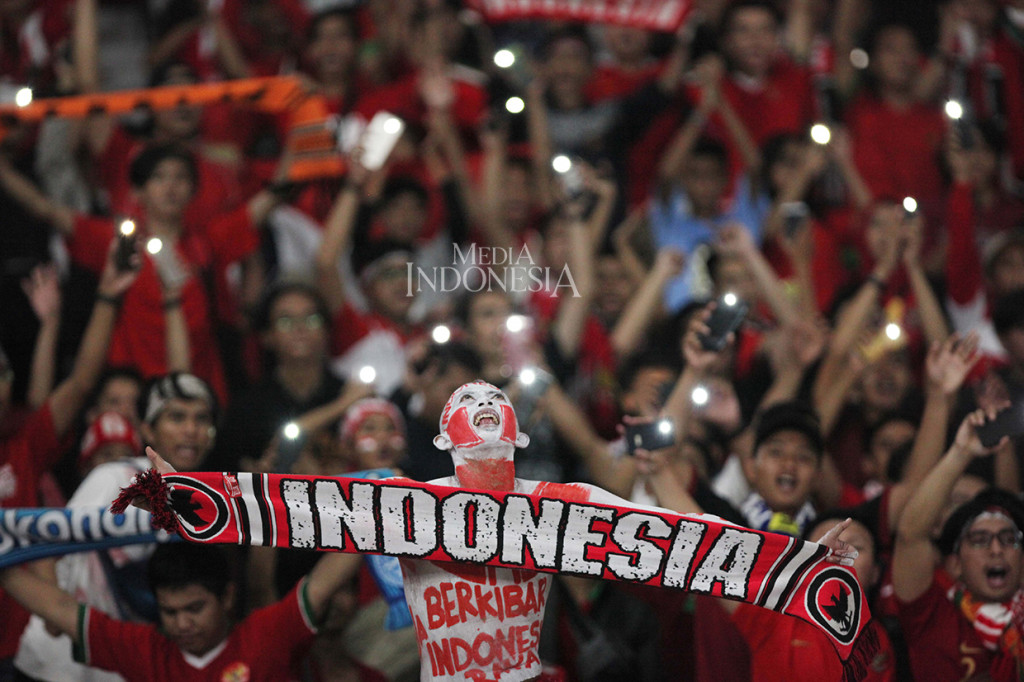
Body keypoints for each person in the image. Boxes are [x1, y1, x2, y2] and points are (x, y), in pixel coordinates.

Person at [399, 380, 857, 680]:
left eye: (496, 400)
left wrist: (801, 558)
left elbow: (688, 531)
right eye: (468, 401)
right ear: (442, 440)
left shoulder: (560, 501)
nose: (484, 405)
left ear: (519, 432)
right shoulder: (402, 506)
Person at [15, 373, 219, 682]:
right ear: (147, 428)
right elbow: (45, 541)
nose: (191, 430)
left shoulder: (209, 502)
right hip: (57, 664)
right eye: (176, 418)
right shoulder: (116, 478)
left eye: (201, 419)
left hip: (122, 668)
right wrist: (57, 613)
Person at [0, 240, 139, 668]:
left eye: (2, 374)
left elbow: (80, 384)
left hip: (20, 649)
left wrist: (108, 296)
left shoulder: (20, 446)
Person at [0, 534, 362, 682]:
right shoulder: (146, 651)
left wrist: (377, 515)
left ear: (228, 597)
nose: (182, 623)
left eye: (194, 608)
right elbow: (62, 609)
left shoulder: (266, 634)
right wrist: (3, 562)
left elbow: (325, 581)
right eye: (169, 612)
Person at [893, 407, 1024, 679]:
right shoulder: (933, 616)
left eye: (1008, 539)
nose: (996, 550)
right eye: (979, 540)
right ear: (955, 564)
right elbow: (910, 537)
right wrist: (960, 453)